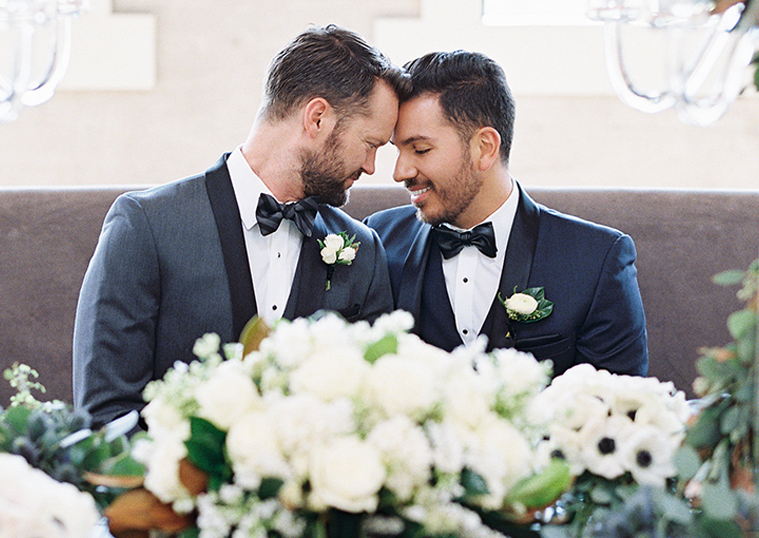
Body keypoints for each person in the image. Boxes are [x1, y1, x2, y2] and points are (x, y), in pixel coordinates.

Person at [74, 25, 408, 426]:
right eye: (370, 144)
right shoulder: (146, 227)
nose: (371, 166)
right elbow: (106, 413)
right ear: (317, 118)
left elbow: (370, 415)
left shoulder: (362, 250)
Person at [365, 50, 648, 377]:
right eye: (398, 151)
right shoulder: (378, 241)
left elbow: (621, 409)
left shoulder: (596, 259)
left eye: (420, 149)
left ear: (484, 147)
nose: (400, 172)